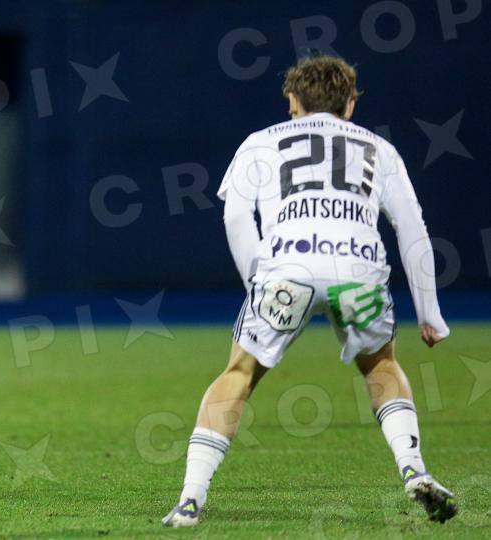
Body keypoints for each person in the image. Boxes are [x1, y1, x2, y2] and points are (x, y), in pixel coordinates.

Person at [162, 55, 457, 526]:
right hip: (357, 269)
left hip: (287, 269)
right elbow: (412, 228)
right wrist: (430, 312)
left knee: (239, 374)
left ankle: (190, 500)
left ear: (293, 100)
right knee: (381, 364)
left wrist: (256, 281)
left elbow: (236, 216)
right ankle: (414, 470)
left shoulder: (260, 142)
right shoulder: (380, 149)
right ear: (350, 105)